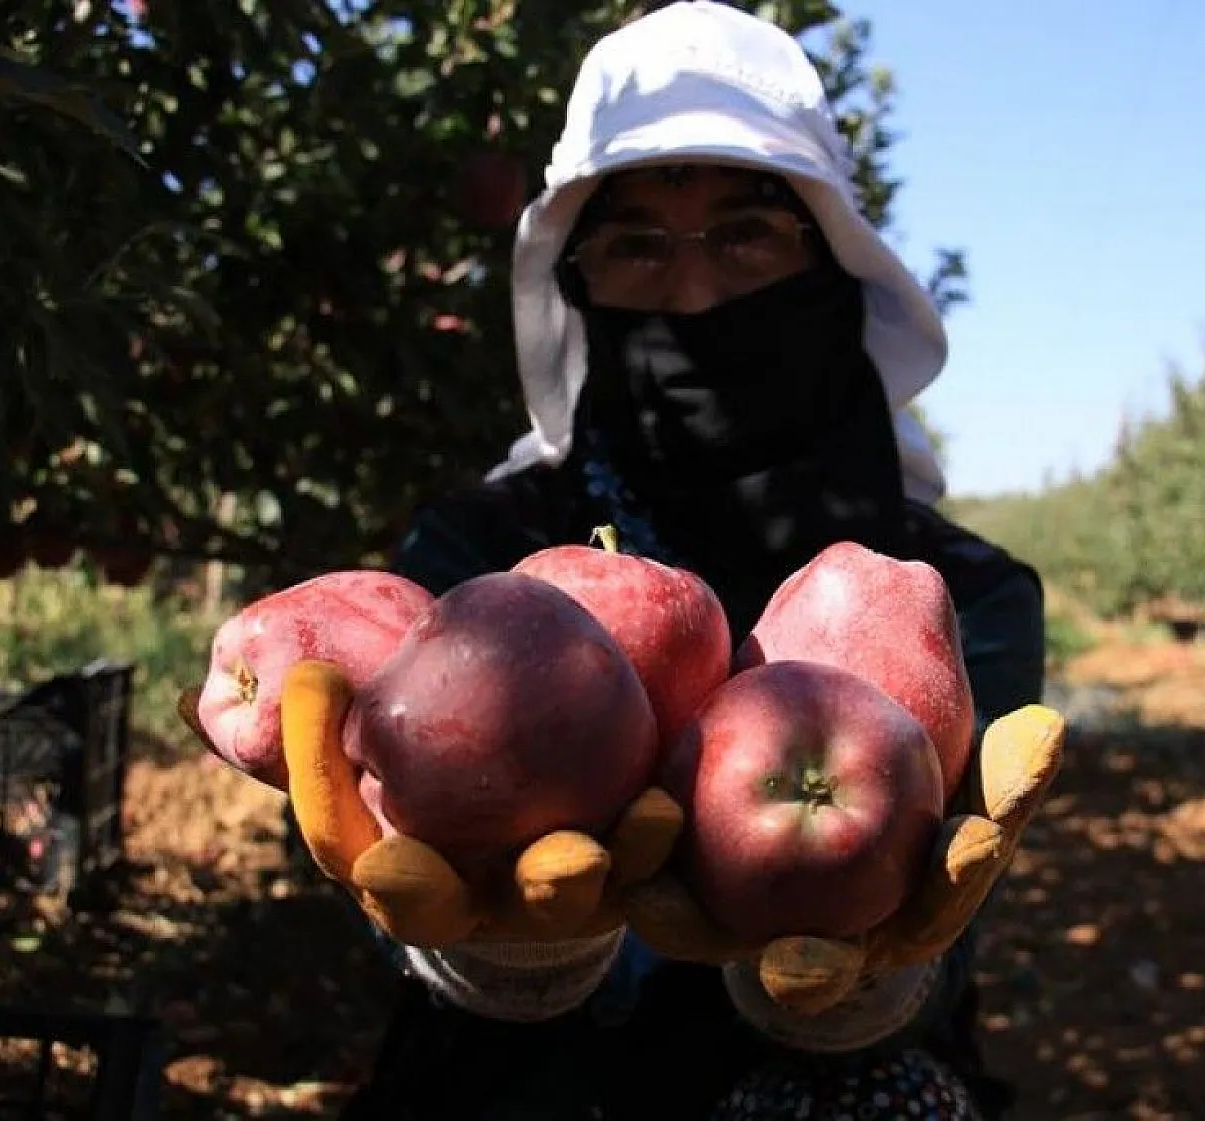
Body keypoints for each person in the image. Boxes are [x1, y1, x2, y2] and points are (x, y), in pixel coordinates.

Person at [285, 4, 1060, 1117]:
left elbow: (941, 942)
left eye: (746, 234)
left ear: (828, 266)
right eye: (637, 245)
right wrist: (513, 957)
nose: (692, 294)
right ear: (578, 284)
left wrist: (852, 985)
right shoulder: (477, 566)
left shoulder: (953, 599)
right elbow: (406, 886)